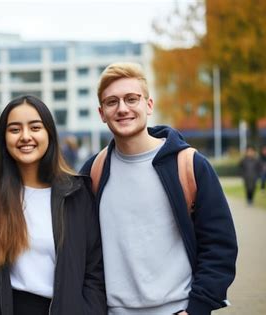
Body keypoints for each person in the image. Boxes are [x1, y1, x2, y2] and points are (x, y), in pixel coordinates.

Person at [80, 62, 237, 315]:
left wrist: (197, 308)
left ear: (149, 105)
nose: (122, 109)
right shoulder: (92, 172)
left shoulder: (189, 165)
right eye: (112, 102)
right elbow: (83, 253)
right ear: (101, 113)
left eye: (132, 99)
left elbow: (220, 246)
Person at [0, 95, 106, 315]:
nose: (25, 137)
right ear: (3, 138)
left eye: (35, 127)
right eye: (14, 130)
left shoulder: (77, 195)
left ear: (49, 134)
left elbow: (94, 272)